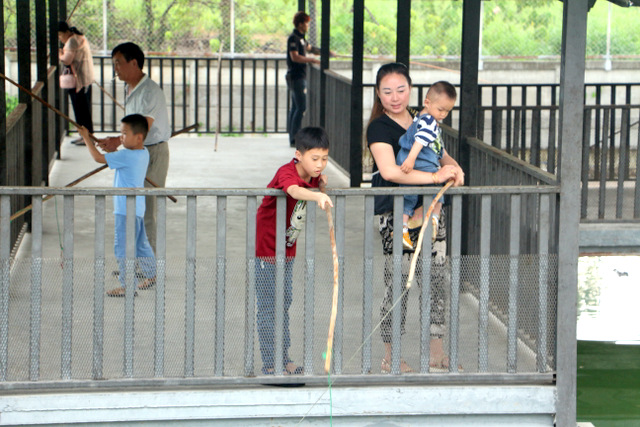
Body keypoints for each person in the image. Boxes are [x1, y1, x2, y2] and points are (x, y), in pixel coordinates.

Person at [365, 63, 464, 373]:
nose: (395, 97)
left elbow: (441, 154)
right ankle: (390, 357)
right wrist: (435, 177)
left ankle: (436, 354)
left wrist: (454, 168)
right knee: (398, 282)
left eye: (401, 89)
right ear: (378, 94)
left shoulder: (425, 118)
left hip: (430, 209)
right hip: (397, 213)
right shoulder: (379, 127)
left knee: (436, 280)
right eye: (387, 92)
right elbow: (392, 172)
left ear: (411, 90)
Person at [255, 126, 333, 375]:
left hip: (287, 250)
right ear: (298, 155)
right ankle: (271, 363)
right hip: (268, 250)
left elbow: (310, 182)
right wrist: (317, 196)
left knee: (284, 303)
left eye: (324, 159)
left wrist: (319, 183)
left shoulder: (311, 175)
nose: (320, 164)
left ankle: (284, 358)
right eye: (315, 158)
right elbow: (293, 189)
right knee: (269, 307)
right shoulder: (286, 172)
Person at [97, 42, 171, 253]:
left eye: (118, 63)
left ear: (134, 63)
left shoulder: (149, 92)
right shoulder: (129, 88)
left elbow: (142, 128)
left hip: (152, 154)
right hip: (136, 153)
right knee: (131, 207)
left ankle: (149, 265)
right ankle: (133, 261)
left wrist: (118, 141)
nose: (116, 69)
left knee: (146, 210)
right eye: (114, 64)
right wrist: (119, 140)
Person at [78, 114, 156, 297]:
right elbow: (114, 156)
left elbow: (98, 158)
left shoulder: (126, 155)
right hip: (137, 209)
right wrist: (111, 149)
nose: (121, 137)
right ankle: (152, 274)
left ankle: (127, 286)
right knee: (140, 244)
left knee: (122, 248)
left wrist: (86, 138)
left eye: (124, 133)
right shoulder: (143, 152)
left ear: (138, 137)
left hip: (125, 210)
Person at [396, 81, 457, 250]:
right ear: (427, 102)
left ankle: (402, 229)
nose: (443, 114)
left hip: (410, 163)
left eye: (447, 111)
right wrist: (411, 159)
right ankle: (434, 219)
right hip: (421, 163)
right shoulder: (429, 121)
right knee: (438, 190)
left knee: (408, 195)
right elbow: (420, 141)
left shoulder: (419, 118)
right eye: (441, 109)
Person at [285, 11, 321, 148]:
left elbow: (311, 48)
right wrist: (311, 60)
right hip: (296, 77)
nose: (308, 26)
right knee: (300, 107)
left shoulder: (301, 39)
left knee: (296, 107)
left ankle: (293, 137)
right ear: (300, 24)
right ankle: (294, 138)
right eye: (306, 23)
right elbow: (295, 57)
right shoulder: (293, 38)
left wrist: (326, 52)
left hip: (299, 76)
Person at [58, 21, 95, 145]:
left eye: (60, 35)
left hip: (78, 80)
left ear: (66, 32)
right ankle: (86, 136)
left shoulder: (72, 41)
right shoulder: (79, 38)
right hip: (85, 78)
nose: (60, 38)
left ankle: (86, 137)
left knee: (80, 110)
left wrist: (60, 55)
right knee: (84, 109)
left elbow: (67, 60)